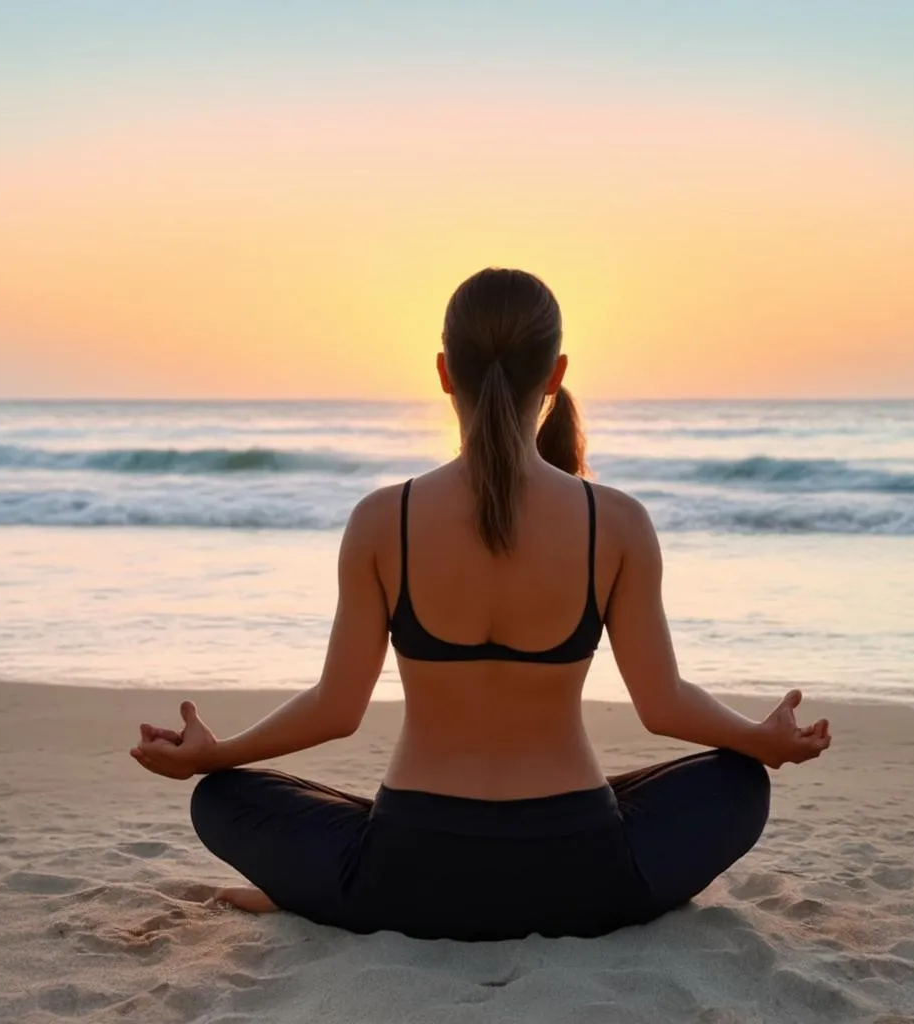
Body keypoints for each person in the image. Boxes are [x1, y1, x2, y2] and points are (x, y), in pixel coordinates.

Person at [130, 268, 831, 941]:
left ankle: (326, 899)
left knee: (220, 798)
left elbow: (336, 710)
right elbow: (663, 704)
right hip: (585, 872)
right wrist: (760, 741)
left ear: (443, 372)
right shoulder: (615, 522)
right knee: (740, 782)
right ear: (555, 375)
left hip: (406, 872)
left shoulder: (384, 519)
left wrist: (213, 756)